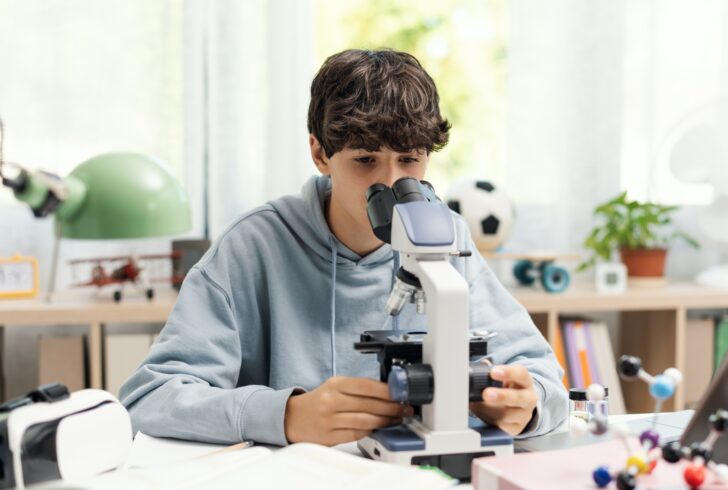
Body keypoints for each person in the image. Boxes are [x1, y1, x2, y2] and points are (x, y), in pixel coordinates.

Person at [120, 48, 568, 447]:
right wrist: (286, 416)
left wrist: (524, 407)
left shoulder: (446, 235)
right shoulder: (252, 247)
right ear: (320, 153)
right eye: (365, 160)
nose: (390, 184)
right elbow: (150, 397)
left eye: (409, 159)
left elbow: (545, 379)